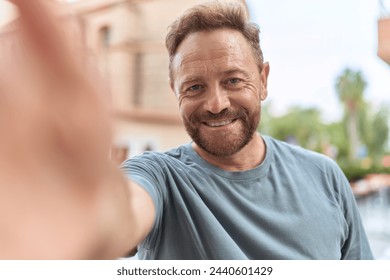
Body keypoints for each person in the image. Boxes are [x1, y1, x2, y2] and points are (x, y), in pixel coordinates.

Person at [0, 0, 373, 259]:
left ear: (263, 79)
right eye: (194, 87)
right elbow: (123, 214)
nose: (216, 103)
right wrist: (81, 218)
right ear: (175, 92)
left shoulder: (325, 177)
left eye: (233, 80)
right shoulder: (159, 177)